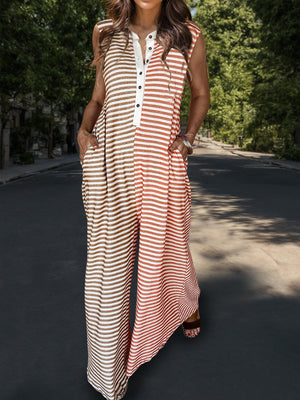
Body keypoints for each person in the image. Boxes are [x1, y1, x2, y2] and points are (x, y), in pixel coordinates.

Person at [77, 0, 210, 399]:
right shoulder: (105, 33)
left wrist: (187, 140)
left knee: (168, 255)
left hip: (161, 168)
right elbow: (98, 99)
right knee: (106, 275)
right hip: (110, 165)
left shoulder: (190, 35)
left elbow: (201, 95)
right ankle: (109, 381)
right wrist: (84, 133)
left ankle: (186, 304)